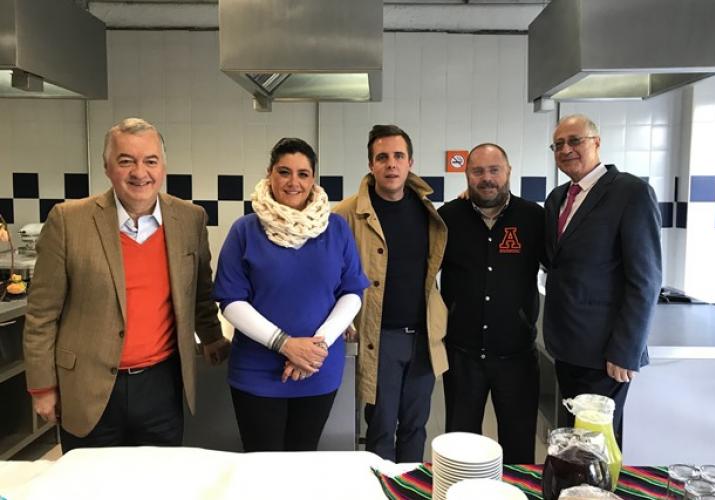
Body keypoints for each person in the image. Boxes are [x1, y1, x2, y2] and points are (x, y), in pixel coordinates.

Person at [23, 117, 230, 452]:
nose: (140, 172)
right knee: (91, 485)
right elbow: (41, 314)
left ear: (163, 167)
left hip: (161, 384)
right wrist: (43, 386)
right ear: (107, 167)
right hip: (88, 386)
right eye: (126, 161)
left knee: (155, 484)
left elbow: (199, 292)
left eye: (150, 161)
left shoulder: (190, 219)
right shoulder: (68, 221)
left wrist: (211, 337)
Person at [213, 138, 369, 452]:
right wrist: (285, 344)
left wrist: (313, 349)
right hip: (257, 372)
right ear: (270, 174)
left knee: (303, 463)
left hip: (317, 368)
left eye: (303, 173)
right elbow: (230, 301)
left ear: (313, 180)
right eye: (284, 172)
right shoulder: (245, 230)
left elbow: (352, 292)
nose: (293, 182)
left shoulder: (336, 229)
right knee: (261, 465)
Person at [544, 114, 662, 447]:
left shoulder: (630, 192)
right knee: (573, 441)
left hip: (605, 353)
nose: (566, 149)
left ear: (596, 142)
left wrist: (626, 349)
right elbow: (553, 260)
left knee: (597, 443)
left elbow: (646, 278)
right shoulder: (558, 199)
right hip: (566, 346)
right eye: (559, 145)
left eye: (575, 141)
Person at [334, 124, 448, 463]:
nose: (391, 164)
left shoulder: (427, 211)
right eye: (382, 157)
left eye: (398, 156)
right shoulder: (346, 214)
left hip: (424, 337)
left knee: (416, 425)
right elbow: (330, 275)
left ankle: (411, 486)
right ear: (371, 165)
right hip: (379, 337)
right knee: (381, 427)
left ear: (410, 161)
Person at [438, 143, 545, 464]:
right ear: (466, 175)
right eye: (478, 171)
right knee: (460, 448)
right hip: (461, 356)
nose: (487, 178)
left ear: (509, 172)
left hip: (517, 357)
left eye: (494, 170)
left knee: (519, 448)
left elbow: (564, 268)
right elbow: (424, 275)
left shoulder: (533, 218)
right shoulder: (448, 218)